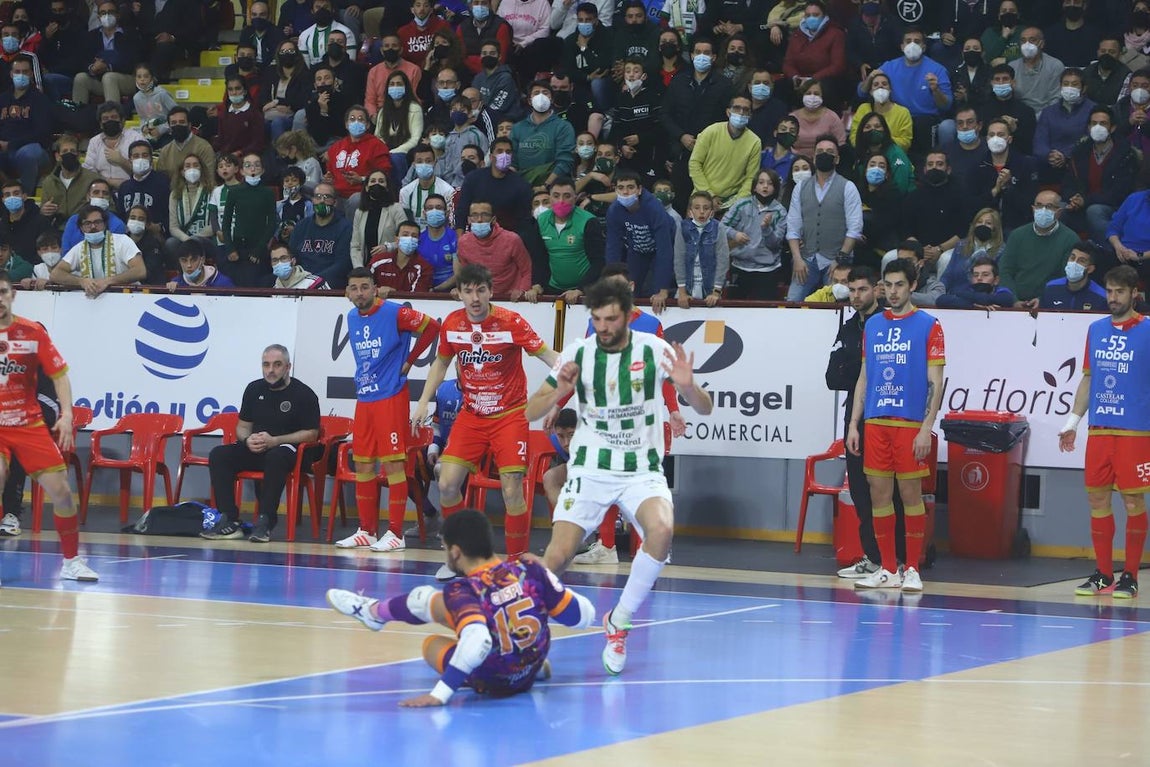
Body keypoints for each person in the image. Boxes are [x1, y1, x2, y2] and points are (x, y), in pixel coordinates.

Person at [524, 276, 713, 674]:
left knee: (661, 530)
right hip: (591, 467)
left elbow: (705, 407)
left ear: (628, 316)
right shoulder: (578, 352)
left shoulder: (655, 348)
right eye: (596, 319)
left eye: (610, 319)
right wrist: (559, 391)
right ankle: (520, 625)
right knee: (557, 557)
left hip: (641, 467)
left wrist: (689, 387)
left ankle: (619, 621)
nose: (603, 327)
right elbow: (530, 411)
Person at [326, 509, 596, 705]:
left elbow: (477, 639)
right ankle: (373, 613)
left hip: (497, 680)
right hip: (531, 665)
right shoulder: (529, 568)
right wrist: (549, 586)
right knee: (430, 601)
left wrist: (440, 694)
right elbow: (584, 616)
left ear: (455, 552)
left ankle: (373, 614)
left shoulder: (463, 588)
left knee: (431, 644)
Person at [412, 264, 560, 558]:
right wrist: (423, 400)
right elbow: (441, 364)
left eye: (481, 290)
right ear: (460, 294)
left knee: (511, 490)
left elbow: (550, 357)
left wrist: (559, 390)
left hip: (510, 416)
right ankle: (461, 555)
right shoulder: (453, 325)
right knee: (447, 483)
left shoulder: (511, 321)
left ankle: (518, 561)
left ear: (491, 292)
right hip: (472, 416)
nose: (475, 297)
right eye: (468, 291)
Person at [847, 258, 945, 593]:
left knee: (910, 494)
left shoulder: (929, 325)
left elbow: (936, 381)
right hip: (875, 422)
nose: (892, 291)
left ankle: (912, 568)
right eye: (887, 285)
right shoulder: (873, 326)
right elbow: (863, 377)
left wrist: (925, 428)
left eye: (899, 284)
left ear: (912, 286)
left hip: (909, 425)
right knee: (879, 495)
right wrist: (854, 424)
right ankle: (888, 568)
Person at [0, 273, 98, 583]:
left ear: (12, 295)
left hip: (29, 425)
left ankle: (71, 562)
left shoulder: (32, 332)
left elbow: (59, 376)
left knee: (63, 494)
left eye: (3, 292)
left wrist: (67, 414)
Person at [1058, 265, 1148, 599]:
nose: (1112, 298)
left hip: (1134, 431)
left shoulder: (1147, 331)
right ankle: (1103, 574)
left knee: (1132, 499)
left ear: (1133, 294)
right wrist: (1072, 422)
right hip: (1100, 430)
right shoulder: (1096, 330)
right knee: (1097, 498)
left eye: (1119, 292)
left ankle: (1131, 576)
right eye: (1109, 291)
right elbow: (1088, 378)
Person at [335, 268, 439, 551]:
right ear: (348, 292)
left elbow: (432, 327)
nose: (359, 293)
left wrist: (410, 361)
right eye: (354, 288)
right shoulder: (352, 316)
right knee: (365, 464)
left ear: (375, 288)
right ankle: (366, 530)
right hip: (365, 397)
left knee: (393, 464)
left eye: (364, 287)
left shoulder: (395, 312)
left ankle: (395, 533)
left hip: (391, 396)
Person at [825, 265, 906, 578]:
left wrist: (856, 372)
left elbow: (885, 375)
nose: (855, 295)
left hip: (884, 415)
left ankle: (895, 559)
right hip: (854, 417)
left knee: (887, 491)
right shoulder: (847, 327)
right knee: (859, 489)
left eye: (862, 289)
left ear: (877, 290)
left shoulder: (888, 324)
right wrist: (856, 373)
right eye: (851, 288)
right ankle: (873, 557)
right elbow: (833, 377)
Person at [203, 345, 321, 543]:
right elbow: (242, 427)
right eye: (266, 365)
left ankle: (265, 521)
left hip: (286, 450)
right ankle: (229, 519)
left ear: (288, 367)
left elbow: (311, 434)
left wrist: (276, 440)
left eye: (277, 365)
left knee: (277, 456)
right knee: (219, 454)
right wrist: (247, 440)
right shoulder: (253, 389)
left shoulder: (304, 394)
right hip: (257, 448)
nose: (271, 370)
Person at [785, 134, 862, 301]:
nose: (824, 154)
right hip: (806, 259)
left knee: (837, 306)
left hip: (837, 261)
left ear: (837, 159)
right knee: (791, 302)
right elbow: (793, 226)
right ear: (813, 157)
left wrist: (839, 260)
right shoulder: (800, 188)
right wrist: (797, 259)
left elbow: (854, 229)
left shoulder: (848, 187)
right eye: (819, 151)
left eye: (829, 151)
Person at [1061, 106, 1138, 245]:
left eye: (1103, 123)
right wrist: (1073, 198)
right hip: (1082, 205)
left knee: (1094, 211)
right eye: (1094, 123)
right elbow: (1068, 183)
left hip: (1112, 207)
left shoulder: (1126, 154)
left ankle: (1112, 251)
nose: (1098, 127)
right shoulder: (1080, 151)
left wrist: (1086, 201)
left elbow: (1119, 193)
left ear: (1112, 128)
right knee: (1058, 208)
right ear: (1088, 127)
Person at [998, 189, 1081, 308]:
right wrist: (1013, 300)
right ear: (1033, 209)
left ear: (1059, 211)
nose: (1043, 210)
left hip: (1051, 305)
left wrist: (1043, 300)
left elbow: (1065, 278)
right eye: (1039, 205)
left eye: (1049, 206)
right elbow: (1005, 271)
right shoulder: (1017, 235)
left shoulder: (1070, 239)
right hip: (1015, 303)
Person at [605, 170, 674, 312]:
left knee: (657, 293)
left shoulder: (654, 208)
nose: (625, 192)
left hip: (662, 247)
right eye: (621, 188)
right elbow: (613, 246)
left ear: (639, 190)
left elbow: (665, 251)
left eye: (630, 187)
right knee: (626, 291)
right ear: (615, 190)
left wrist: (663, 289)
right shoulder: (614, 210)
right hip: (636, 249)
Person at [530, 177, 604, 303]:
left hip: (582, 291)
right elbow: (539, 258)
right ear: (550, 198)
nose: (561, 201)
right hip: (552, 288)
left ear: (575, 199)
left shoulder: (589, 222)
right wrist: (537, 285)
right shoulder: (541, 220)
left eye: (567, 196)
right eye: (556, 196)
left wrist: (581, 289)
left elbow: (599, 262)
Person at [51, 205, 146, 298]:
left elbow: (140, 271)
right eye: (87, 223)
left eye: (97, 222)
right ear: (81, 228)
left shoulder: (122, 241)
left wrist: (108, 281)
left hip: (128, 299)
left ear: (105, 224)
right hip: (96, 303)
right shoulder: (79, 248)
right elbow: (56, 274)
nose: (93, 226)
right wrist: (81, 281)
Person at [722, 169, 787, 299]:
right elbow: (721, 226)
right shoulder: (741, 204)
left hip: (767, 271)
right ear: (755, 187)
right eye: (761, 182)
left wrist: (766, 229)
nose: (765, 186)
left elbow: (775, 245)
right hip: (740, 267)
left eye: (769, 183)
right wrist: (735, 234)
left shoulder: (780, 211)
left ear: (775, 188)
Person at [688, 95, 762, 210]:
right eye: (737, 108)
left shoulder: (755, 142)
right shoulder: (710, 132)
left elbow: (751, 178)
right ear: (728, 112)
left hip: (733, 204)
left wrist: (735, 204)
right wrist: (710, 195)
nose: (741, 112)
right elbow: (694, 163)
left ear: (750, 116)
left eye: (746, 110)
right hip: (701, 197)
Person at [457, 200, 533, 299]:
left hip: (511, 299)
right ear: (469, 220)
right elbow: (466, 274)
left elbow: (526, 270)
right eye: (474, 215)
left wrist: (522, 291)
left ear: (493, 219)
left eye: (484, 215)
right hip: (480, 299)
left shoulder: (512, 240)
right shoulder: (463, 242)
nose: (479, 219)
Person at [221, 154, 278, 287]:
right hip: (238, 246)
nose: (252, 168)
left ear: (262, 170)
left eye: (256, 165)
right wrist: (230, 248)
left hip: (258, 248)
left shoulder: (268, 192)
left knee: (254, 282)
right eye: (248, 165)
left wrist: (259, 249)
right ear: (241, 170)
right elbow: (226, 223)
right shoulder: (235, 192)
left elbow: (272, 223)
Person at [0, 54, 51, 195]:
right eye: (17, 72)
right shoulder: (3, 99)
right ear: (11, 74)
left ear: (31, 74)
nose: (20, 75)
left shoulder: (40, 99)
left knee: (27, 154)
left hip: (34, 150)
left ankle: (27, 197)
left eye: (25, 72)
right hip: (5, 150)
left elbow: (43, 134)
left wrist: (10, 144)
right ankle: (7, 194)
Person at [674, 191, 730, 307]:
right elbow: (679, 260)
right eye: (697, 208)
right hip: (687, 288)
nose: (702, 212)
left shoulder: (718, 227)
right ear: (690, 212)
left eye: (706, 208)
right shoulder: (682, 228)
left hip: (711, 290)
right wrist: (682, 292)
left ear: (712, 212)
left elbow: (723, 261)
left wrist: (716, 292)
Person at [39, 135, 101, 232]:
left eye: (72, 151)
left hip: (85, 228)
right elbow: (44, 211)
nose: (69, 154)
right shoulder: (49, 182)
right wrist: (44, 210)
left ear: (78, 155)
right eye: (65, 151)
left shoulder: (92, 178)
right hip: (57, 229)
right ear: (57, 156)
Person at [370, 220, 436, 296]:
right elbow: (364, 287)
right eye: (405, 235)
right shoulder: (377, 261)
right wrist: (377, 291)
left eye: (414, 236)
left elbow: (417, 298)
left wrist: (394, 293)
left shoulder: (425, 268)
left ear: (418, 241)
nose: (410, 239)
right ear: (396, 240)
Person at [1009, 27, 1065, 114]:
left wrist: (1039, 118)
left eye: (1032, 40)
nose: (1027, 44)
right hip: (1018, 115)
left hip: (1046, 115)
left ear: (1041, 44)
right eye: (1023, 41)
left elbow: (1056, 99)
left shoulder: (1055, 66)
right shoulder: (1012, 66)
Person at [1040, 243, 1108, 311]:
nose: (1074, 263)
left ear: (1090, 269)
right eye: (1072, 258)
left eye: (1081, 261)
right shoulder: (1051, 288)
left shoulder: (1101, 297)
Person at [935, 255, 1018, 310]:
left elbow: (1006, 300)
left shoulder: (1002, 291)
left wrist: (974, 301)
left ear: (996, 280)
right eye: (975, 275)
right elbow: (941, 300)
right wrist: (973, 306)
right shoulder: (965, 289)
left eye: (985, 275)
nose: (979, 278)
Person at [418, 194, 458, 291]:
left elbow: (458, 274)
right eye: (430, 208)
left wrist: (436, 290)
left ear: (446, 213)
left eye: (438, 207)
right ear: (424, 213)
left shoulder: (454, 238)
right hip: (423, 292)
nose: (434, 211)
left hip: (450, 293)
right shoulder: (419, 239)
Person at [166, 237, 235, 290]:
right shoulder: (175, 284)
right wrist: (171, 293)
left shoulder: (223, 283)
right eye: (184, 261)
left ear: (202, 260)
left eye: (193, 260)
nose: (189, 265)